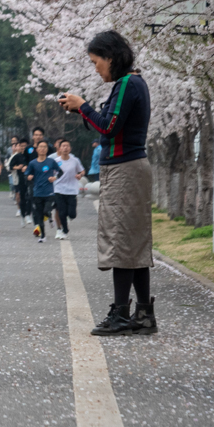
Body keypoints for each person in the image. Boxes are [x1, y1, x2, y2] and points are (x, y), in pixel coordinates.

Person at [60, 30, 156, 336]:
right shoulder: (130, 83)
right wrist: (80, 109)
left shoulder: (128, 83)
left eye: (96, 62)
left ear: (111, 57)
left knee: (121, 241)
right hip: (129, 168)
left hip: (125, 170)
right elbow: (106, 127)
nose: (95, 68)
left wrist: (84, 105)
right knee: (134, 242)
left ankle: (120, 315)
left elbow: (109, 127)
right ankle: (143, 315)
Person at [52, 139, 83, 239]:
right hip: (59, 189)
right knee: (61, 212)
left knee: (72, 214)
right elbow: (51, 174)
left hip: (72, 190)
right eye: (63, 146)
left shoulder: (75, 160)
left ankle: (68, 221)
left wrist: (80, 175)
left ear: (70, 148)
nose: (65, 148)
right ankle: (64, 230)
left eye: (67, 146)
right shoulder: (56, 162)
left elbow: (82, 171)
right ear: (59, 148)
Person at [28, 140, 58, 242]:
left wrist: (55, 177)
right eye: (40, 147)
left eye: (45, 147)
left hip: (49, 192)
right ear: (37, 149)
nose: (42, 149)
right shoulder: (33, 163)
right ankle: (43, 236)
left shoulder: (51, 161)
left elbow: (60, 172)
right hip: (37, 192)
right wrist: (29, 176)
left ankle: (49, 216)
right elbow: (26, 174)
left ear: (47, 149)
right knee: (39, 215)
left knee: (46, 210)